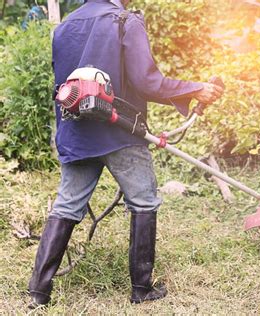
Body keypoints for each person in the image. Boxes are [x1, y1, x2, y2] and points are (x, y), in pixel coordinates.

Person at [27, 0, 224, 308]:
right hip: (121, 133)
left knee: (66, 206)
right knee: (144, 200)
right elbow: (148, 83)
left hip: (77, 134)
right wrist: (195, 89)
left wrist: (66, 135)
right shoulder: (124, 21)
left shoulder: (64, 26)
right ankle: (142, 288)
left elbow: (62, 88)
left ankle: (38, 293)